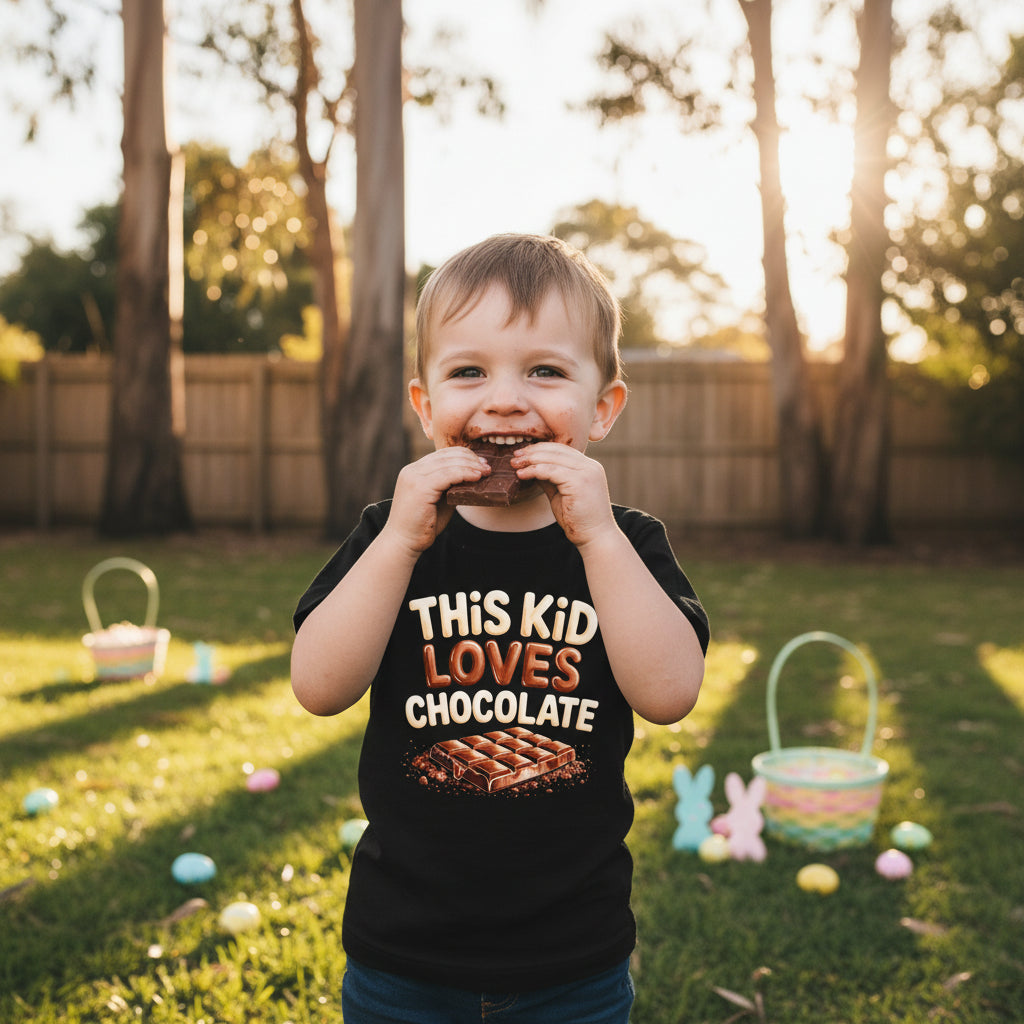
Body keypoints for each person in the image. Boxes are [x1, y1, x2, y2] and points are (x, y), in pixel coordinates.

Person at [291, 233, 709, 1024]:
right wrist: (398, 545)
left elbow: (669, 694)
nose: (506, 399)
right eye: (468, 372)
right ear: (425, 407)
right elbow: (318, 687)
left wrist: (598, 540)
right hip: (402, 952)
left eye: (545, 371)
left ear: (602, 408)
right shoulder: (393, 537)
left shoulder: (627, 545)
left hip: (572, 957)